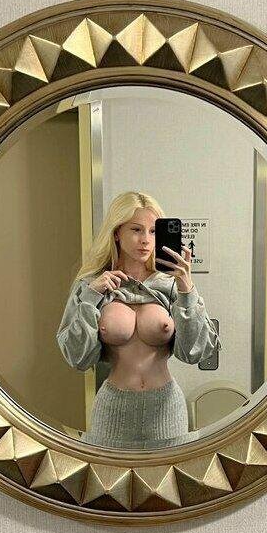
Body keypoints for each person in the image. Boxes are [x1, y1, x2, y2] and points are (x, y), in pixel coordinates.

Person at [57, 190, 220, 448]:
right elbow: (78, 358)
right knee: (108, 475)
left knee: (171, 475)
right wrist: (90, 298)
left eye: (153, 231)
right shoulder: (92, 286)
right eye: (136, 230)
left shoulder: (171, 285)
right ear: (117, 233)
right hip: (113, 409)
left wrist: (187, 289)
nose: (145, 240)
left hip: (167, 409)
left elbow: (194, 352)